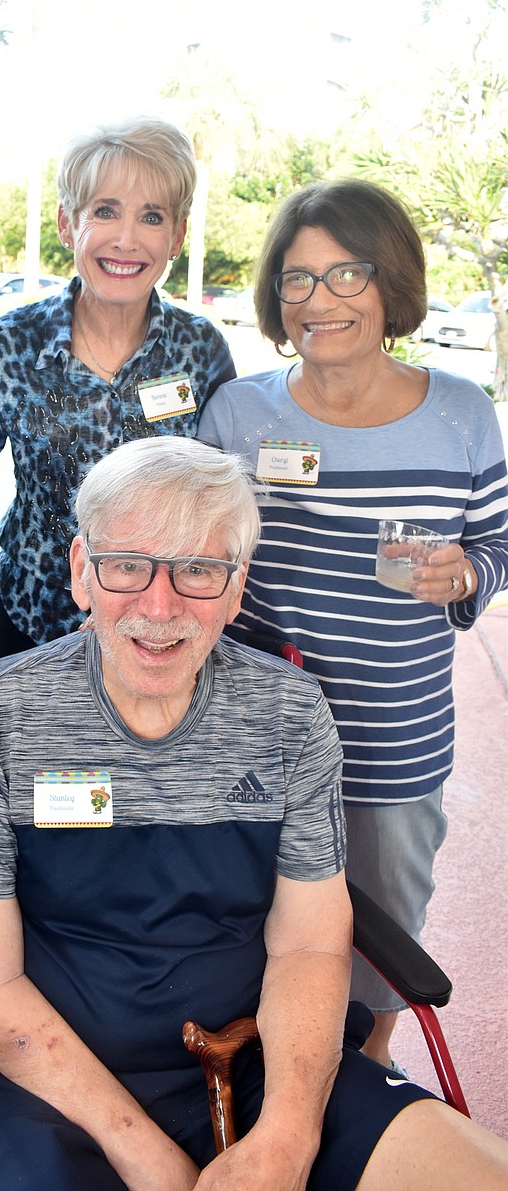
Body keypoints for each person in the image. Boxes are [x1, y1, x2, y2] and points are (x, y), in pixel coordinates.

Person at [0, 436, 508, 1191]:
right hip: (55, 1085)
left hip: (268, 1059)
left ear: (237, 589)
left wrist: (288, 1137)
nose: (160, 606)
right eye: (127, 565)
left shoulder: (290, 713)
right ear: (81, 572)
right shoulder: (1, 713)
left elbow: (309, 945)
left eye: (200, 571)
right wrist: (148, 1156)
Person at [197, 178, 508, 1068]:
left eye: (347, 274)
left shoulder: (461, 412)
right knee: (250, 904)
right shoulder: (241, 413)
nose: (319, 300)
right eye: (297, 278)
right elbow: (201, 549)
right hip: (257, 726)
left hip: (395, 730)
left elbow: (497, 542)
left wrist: (467, 573)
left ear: (390, 281)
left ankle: (370, 1059)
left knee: (386, 912)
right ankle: (255, 1056)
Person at [0, 115, 236, 662]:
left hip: (160, 630)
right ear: (68, 224)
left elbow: (222, 500)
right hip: (32, 623)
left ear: (177, 236)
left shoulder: (201, 351)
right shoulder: (11, 345)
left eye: (151, 216)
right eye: (105, 211)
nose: (126, 239)